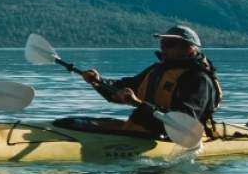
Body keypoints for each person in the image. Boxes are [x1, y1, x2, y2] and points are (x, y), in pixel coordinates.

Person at [79, 24, 221, 134]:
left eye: (169, 44)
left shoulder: (198, 78)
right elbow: (123, 88)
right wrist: (97, 81)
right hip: (142, 130)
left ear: (190, 48)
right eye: (162, 43)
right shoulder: (158, 69)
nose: (163, 47)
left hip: (169, 136)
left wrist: (138, 103)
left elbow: (185, 121)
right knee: (73, 123)